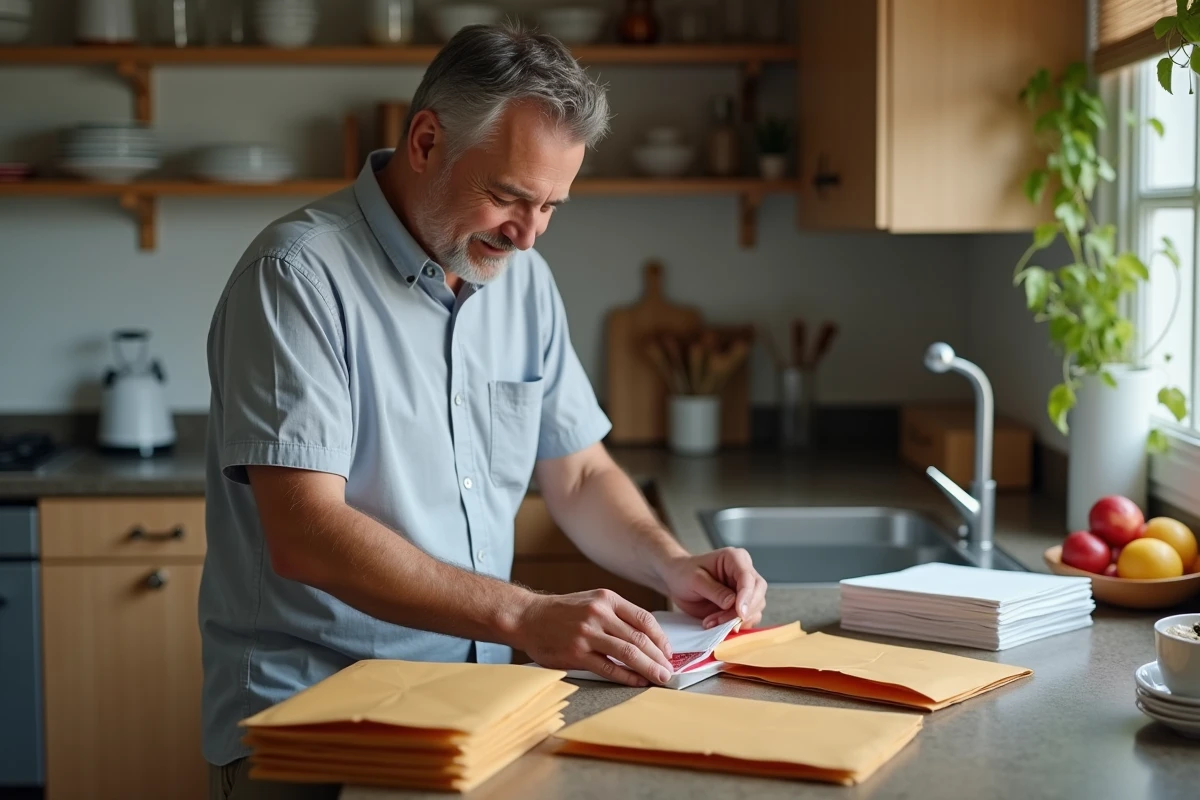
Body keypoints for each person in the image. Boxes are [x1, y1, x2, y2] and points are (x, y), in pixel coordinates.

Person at [199, 22, 768, 798]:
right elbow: (305, 533)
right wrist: (526, 616)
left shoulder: (519, 279)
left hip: (482, 716)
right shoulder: (296, 276)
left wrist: (669, 563)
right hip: (316, 727)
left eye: (551, 207)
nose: (528, 234)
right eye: (508, 196)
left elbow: (577, 473)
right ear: (426, 141)